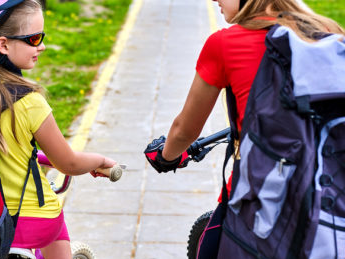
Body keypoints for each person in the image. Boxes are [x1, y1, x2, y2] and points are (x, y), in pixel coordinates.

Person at [0, 0, 116, 259]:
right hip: (29, 222)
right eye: (35, 39)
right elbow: (68, 162)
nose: (43, 46)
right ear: (3, 45)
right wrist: (101, 162)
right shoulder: (28, 102)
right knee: (55, 225)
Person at [145, 0, 344, 190]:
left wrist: (165, 157)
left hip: (262, 195)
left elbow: (184, 131)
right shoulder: (329, 31)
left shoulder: (224, 43)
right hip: (334, 188)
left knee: (218, 224)